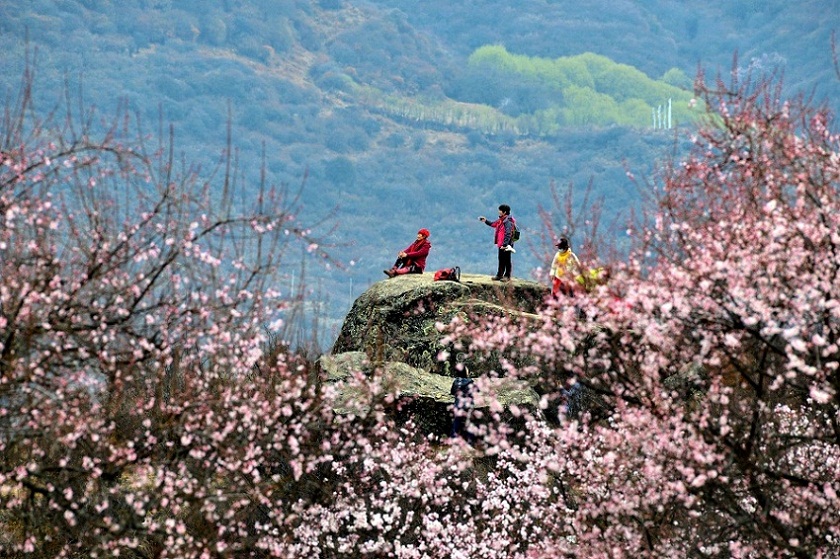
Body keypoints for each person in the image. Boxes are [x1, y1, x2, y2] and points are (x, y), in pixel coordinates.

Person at [478, 204, 516, 282]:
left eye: (500, 210)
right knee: (501, 259)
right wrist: (485, 221)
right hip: (501, 243)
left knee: (507, 260)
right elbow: (493, 224)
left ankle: (507, 276)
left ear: (504, 212)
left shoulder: (508, 221)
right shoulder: (501, 220)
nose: (499, 212)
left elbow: (508, 233)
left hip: (506, 245)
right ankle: (499, 275)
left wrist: (505, 244)